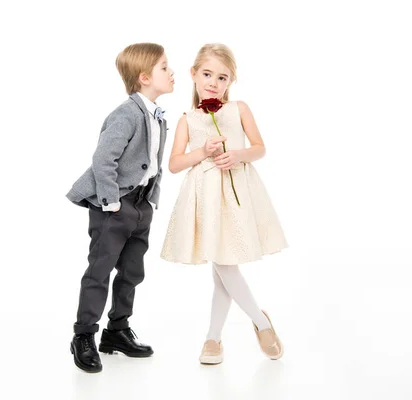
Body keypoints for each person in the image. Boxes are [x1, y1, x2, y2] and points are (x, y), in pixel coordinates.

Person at [160, 43, 287, 365]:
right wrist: (202, 151)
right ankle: (247, 326)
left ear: (230, 82)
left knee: (225, 266)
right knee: (223, 266)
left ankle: (219, 336)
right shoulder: (187, 119)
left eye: (222, 77)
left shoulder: (239, 108)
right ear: (193, 74)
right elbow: (175, 164)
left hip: (237, 193)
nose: (213, 82)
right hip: (204, 196)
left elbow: (259, 148)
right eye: (207, 74)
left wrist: (238, 154)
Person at [66, 42, 174, 373]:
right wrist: (111, 200)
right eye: (165, 68)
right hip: (113, 206)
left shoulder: (157, 115)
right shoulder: (126, 114)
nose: (172, 73)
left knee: (132, 272)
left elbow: (150, 163)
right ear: (144, 77)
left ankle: (117, 331)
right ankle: (84, 335)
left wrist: (150, 202)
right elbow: (103, 159)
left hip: (141, 206)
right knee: (99, 271)